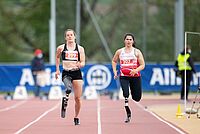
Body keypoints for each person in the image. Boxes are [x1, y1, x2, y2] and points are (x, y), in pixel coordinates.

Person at [112, 33, 145, 123]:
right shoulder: (120, 52)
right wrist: (115, 71)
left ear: (133, 41)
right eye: (127, 39)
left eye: (130, 39)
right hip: (124, 76)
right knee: (125, 93)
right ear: (124, 41)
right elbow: (114, 61)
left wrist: (136, 70)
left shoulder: (137, 52)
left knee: (137, 98)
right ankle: (127, 108)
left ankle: (132, 95)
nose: (128, 41)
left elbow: (143, 65)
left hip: (135, 76)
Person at [55, 29, 85, 125]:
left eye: (71, 35)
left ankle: (76, 117)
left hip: (76, 73)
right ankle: (66, 99)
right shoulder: (61, 48)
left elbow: (83, 62)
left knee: (78, 98)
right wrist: (57, 70)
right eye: (68, 35)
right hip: (66, 72)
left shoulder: (80, 49)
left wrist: (80, 64)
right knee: (68, 88)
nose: (70, 36)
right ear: (65, 37)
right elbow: (57, 57)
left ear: (74, 36)